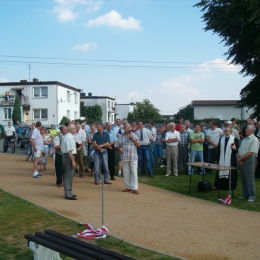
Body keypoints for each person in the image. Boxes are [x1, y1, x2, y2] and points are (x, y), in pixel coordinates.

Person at [115, 123, 140, 194]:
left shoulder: (134, 135)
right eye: (126, 127)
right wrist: (119, 148)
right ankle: (128, 187)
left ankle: (135, 188)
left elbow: (138, 145)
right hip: (124, 156)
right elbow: (116, 146)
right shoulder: (121, 136)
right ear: (124, 128)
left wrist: (133, 139)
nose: (128, 128)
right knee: (126, 173)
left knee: (134, 172)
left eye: (129, 126)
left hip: (133, 156)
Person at [238, 125, 259, 202]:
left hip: (249, 160)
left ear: (251, 131)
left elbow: (251, 152)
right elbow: (240, 150)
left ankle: (252, 195)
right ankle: (245, 194)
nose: (245, 130)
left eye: (247, 129)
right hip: (242, 159)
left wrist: (241, 158)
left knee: (249, 178)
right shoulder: (244, 139)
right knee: (243, 178)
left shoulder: (254, 139)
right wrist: (240, 158)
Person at [61, 123, 77, 200]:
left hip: (67, 156)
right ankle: (67, 193)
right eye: (75, 128)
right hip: (68, 157)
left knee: (69, 175)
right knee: (68, 175)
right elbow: (69, 151)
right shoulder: (69, 137)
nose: (76, 129)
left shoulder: (68, 136)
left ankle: (69, 192)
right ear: (71, 129)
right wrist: (73, 161)